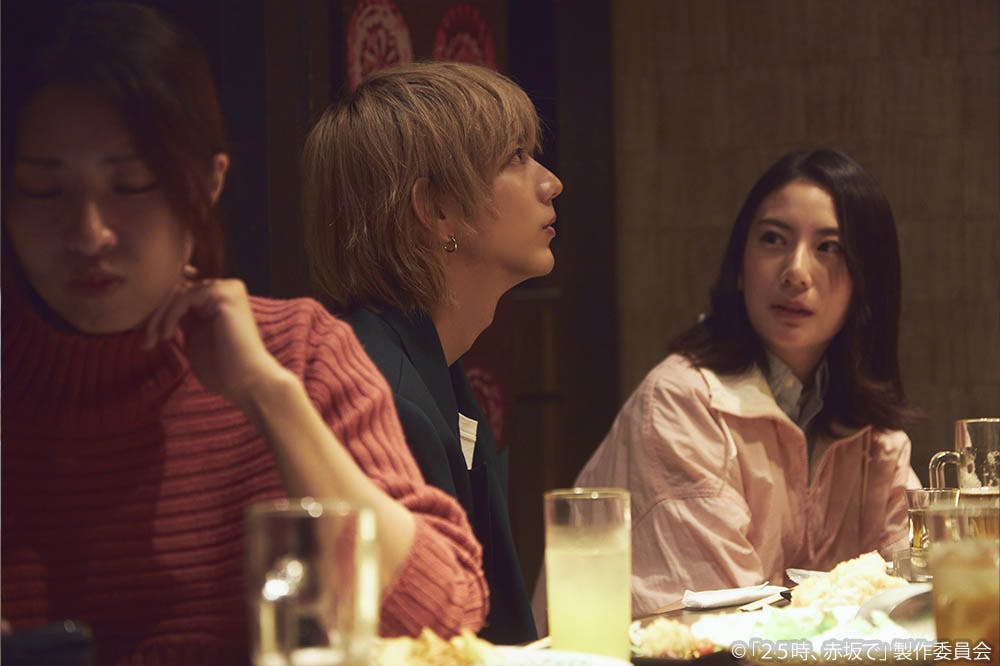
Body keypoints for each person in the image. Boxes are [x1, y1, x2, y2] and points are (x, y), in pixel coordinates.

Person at [1, 4, 488, 663]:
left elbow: (444, 619)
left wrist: (269, 395)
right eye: (42, 190)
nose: (89, 233)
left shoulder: (298, 354)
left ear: (209, 182)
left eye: (132, 184)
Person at [567, 149, 921, 617]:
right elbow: (723, 624)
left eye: (829, 247)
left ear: (866, 281)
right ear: (739, 265)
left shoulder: (876, 436)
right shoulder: (682, 402)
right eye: (773, 239)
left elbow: (915, 597)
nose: (796, 272)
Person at [301, 62, 562, 644]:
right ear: (438, 209)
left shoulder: (430, 359)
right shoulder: (377, 392)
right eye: (516, 158)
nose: (550, 183)